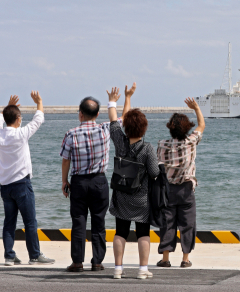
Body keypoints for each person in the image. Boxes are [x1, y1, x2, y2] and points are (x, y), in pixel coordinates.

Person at [60, 95, 121, 272]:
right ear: (97, 114)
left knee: (78, 222)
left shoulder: (71, 134)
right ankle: (97, 261)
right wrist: (119, 100)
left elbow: (66, 161)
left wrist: (64, 181)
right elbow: (120, 119)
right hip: (99, 181)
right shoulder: (105, 130)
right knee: (98, 221)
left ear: (80, 114)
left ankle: (77, 262)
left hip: (78, 182)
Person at [0, 92, 55, 266]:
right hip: (21, 183)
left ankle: (9, 256)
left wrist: (6, 107)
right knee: (30, 221)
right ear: (19, 118)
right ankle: (34, 255)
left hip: (5, 186)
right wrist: (40, 102)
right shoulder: (21, 134)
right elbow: (38, 119)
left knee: (9, 222)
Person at [106, 84, 160, 280]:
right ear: (144, 128)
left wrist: (116, 100)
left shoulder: (119, 142)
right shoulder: (147, 148)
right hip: (141, 198)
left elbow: (114, 120)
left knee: (120, 232)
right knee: (143, 233)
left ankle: (118, 269)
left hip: (121, 195)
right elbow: (154, 172)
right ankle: (142, 269)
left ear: (126, 128)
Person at [156, 97, 205, 268]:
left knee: (167, 224)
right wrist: (196, 108)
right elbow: (201, 126)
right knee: (187, 223)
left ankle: (165, 259)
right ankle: (185, 259)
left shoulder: (162, 144)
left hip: (168, 190)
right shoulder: (190, 143)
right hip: (186, 189)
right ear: (186, 129)